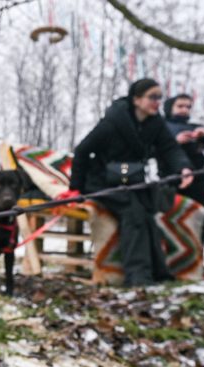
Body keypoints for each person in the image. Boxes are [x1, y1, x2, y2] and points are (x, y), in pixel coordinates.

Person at [69, 78, 194, 287]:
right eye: (152, 97)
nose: (157, 102)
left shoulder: (155, 124)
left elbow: (170, 148)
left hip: (130, 180)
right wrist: (75, 190)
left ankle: (158, 272)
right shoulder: (112, 122)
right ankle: (137, 276)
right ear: (136, 99)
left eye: (159, 98)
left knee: (147, 213)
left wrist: (184, 168)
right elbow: (82, 151)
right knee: (133, 212)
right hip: (101, 182)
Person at [163, 94, 204, 208]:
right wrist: (175, 141)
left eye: (188, 107)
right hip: (173, 178)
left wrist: (203, 135)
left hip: (198, 178)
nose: (184, 110)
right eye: (180, 106)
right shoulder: (161, 128)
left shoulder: (194, 126)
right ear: (170, 107)